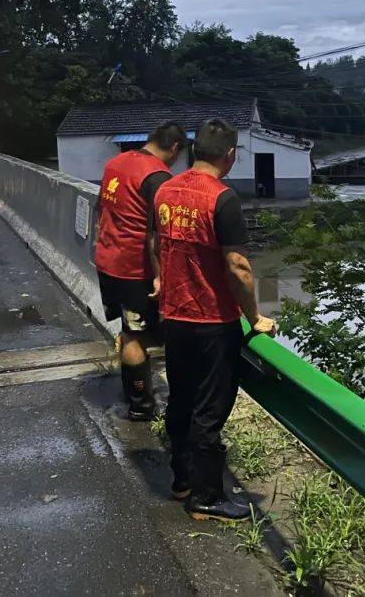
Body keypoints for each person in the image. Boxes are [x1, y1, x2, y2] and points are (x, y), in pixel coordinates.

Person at [151, 117, 275, 522]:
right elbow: (238, 266)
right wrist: (254, 317)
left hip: (174, 314)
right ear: (231, 155)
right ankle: (206, 496)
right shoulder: (222, 199)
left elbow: (155, 241)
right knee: (209, 409)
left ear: (192, 151)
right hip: (211, 321)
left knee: (181, 399)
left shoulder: (165, 190)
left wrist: (160, 277)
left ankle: (181, 479)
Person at [95, 120, 188, 420]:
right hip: (133, 269)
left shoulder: (116, 163)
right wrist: (162, 275)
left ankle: (133, 388)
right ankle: (141, 405)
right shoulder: (157, 178)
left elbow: (101, 209)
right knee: (135, 335)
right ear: (174, 148)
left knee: (129, 329)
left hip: (107, 260)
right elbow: (156, 236)